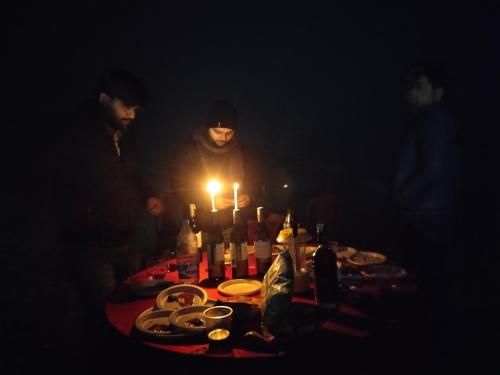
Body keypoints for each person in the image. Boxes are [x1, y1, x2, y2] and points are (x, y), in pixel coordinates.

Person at [54, 68, 165, 334]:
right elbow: (64, 188)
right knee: (103, 316)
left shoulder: (123, 137)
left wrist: (149, 194)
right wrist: (90, 223)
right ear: (104, 99)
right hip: (91, 248)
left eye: (136, 109)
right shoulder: (78, 138)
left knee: (130, 313)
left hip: (125, 242)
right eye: (126, 106)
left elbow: (133, 172)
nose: (132, 115)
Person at [393, 62, 463, 350]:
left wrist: (406, 197)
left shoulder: (433, 121)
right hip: (429, 213)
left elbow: (434, 170)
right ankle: (435, 342)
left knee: (425, 283)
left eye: (419, 87)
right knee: (432, 281)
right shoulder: (432, 119)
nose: (412, 93)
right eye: (411, 87)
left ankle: (430, 346)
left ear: (438, 91)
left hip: (425, 217)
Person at [169, 100, 261, 235]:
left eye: (229, 133)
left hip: (236, 224)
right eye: (218, 132)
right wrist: (208, 201)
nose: (223, 137)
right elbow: (179, 186)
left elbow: (255, 180)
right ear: (207, 128)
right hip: (201, 226)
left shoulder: (241, 151)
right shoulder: (189, 150)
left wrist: (249, 195)